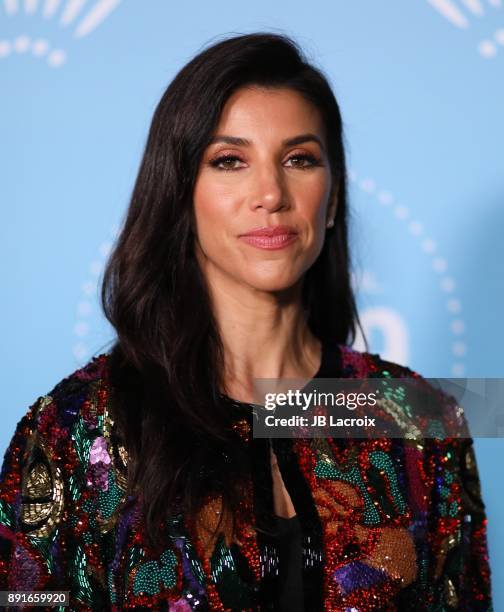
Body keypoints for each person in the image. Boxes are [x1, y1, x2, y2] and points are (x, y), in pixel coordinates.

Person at [0, 32, 492, 611]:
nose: (270, 194)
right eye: (230, 161)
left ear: (332, 200)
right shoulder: (75, 428)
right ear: (181, 194)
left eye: (299, 159)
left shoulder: (424, 420)